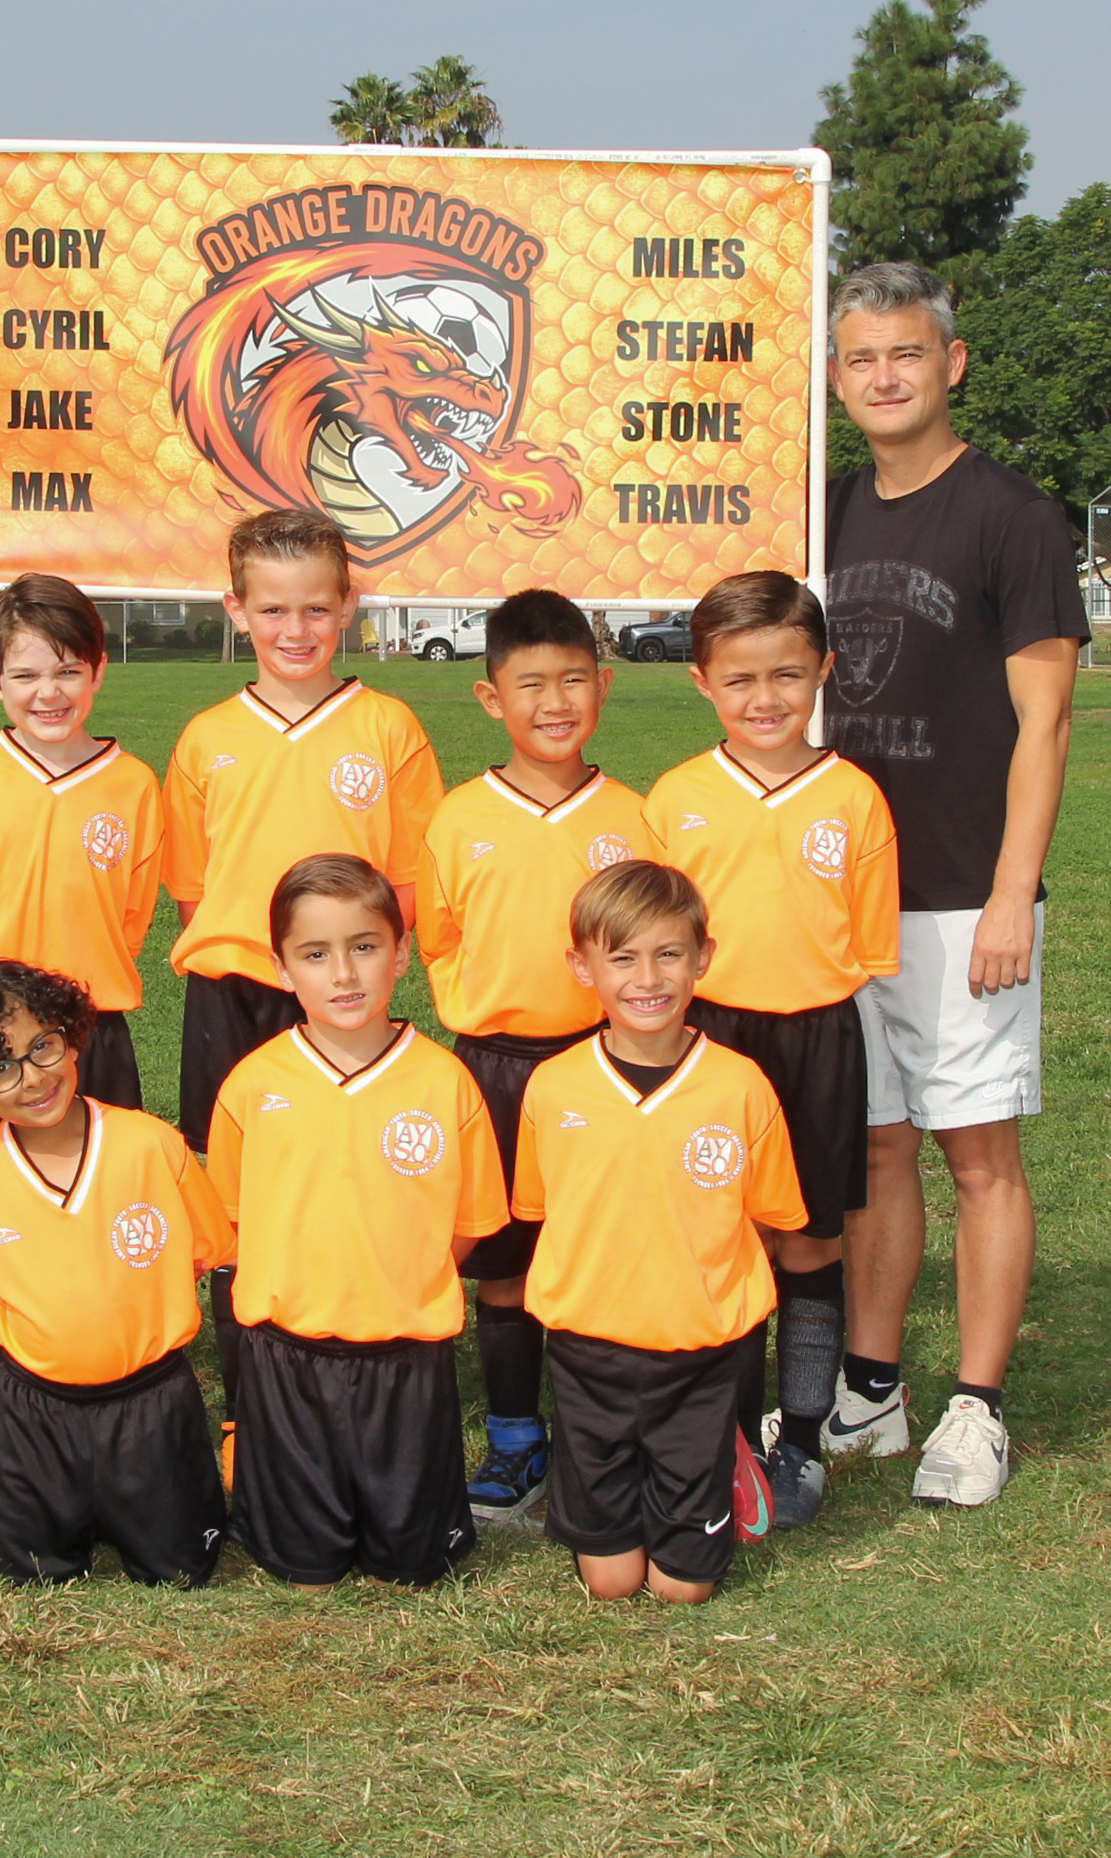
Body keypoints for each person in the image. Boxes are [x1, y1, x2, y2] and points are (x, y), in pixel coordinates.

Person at [820, 261, 1086, 1509]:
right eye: (862, 357)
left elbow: (1046, 720)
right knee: (876, 1147)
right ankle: (870, 1390)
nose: (885, 376)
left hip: (962, 890)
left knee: (977, 1152)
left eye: (906, 353)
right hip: (840, 891)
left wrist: (1010, 889)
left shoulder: (1010, 515)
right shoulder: (822, 513)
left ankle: (975, 1406)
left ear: (951, 362)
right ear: (836, 377)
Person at [163, 507, 446, 1461]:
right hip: (235, 995)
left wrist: (350, 969)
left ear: (349, 607)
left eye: (316, 609)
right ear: (236, 609)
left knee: (352, 1178)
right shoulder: (206, 738)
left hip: (346, 998)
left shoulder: (388, 726)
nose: (296, 629)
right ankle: (249, 1401)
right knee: (236, 1198)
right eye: (274, 609)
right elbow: (195, 887)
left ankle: (357, 1362)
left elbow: (409, 881)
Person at [644, 572, 899, 1530]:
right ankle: (724, 1431)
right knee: (720, 1231)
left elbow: (865, 947)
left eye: (787, 676)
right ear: (702, 682)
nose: (765, 699)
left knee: (808, 1237)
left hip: (818, 1036)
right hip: (708, 1040)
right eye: (740, 679)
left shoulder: (855, 798)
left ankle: (801, 1437)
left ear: (823, 671)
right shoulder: (676, 798)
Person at [204, 854, 506, 1588]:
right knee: (304, 1573)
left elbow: (467, 1224)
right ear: (281, 968)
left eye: (364, 947)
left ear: (400, 954)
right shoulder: (254, 1085)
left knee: (412, 1570)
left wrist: (402, 1283)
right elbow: (231, 1221)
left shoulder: (444, 1081)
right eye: (315, 954)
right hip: (287, 1357)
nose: (343, 974)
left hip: (407, 1358)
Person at [513, 861, 807, 1602]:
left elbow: (769, 1222)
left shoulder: (740, 1085)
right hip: (587, 1349)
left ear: (704, 958)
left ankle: (723, 1451)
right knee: (611, 1583)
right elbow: (543, 1210)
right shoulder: (554, 1086)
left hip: (701, 1356)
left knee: (684, 1591)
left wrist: (705, 1290)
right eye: (623, 958)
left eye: (669, 954)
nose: (648, 979)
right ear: (582, 967)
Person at [414, 587, 647, 1521]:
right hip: (496, 1067)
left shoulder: (635, 816)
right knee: (506, 1263)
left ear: (604, 685)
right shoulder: (457, 818)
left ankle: (608, 1437)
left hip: (606, 1063)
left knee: (605, 1252)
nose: (556, 703)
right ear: (490, 697)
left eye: (574, 681)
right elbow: (438, 939)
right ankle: (516, 1438)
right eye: (532, 684)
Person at [0, 959, 232, 1586]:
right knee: (11, 1569)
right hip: (35, 1412)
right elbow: (0, 1291)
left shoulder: (150, 1144)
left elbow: (209, 1251)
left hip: (151, 1401)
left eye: (42, 1047)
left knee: (180, 1569)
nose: (33, 1077)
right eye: (1, 1067)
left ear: (71, 1037)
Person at [0, 574, 162, 1272]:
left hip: (93, 1026)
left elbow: (130, 918)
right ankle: (17, 1327)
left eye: (67, 671)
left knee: (106, 1200)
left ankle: (104, 1318)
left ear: (98, 671)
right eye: (25, 675)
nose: (48, 692)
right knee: (2, 1213)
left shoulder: (133, 784)